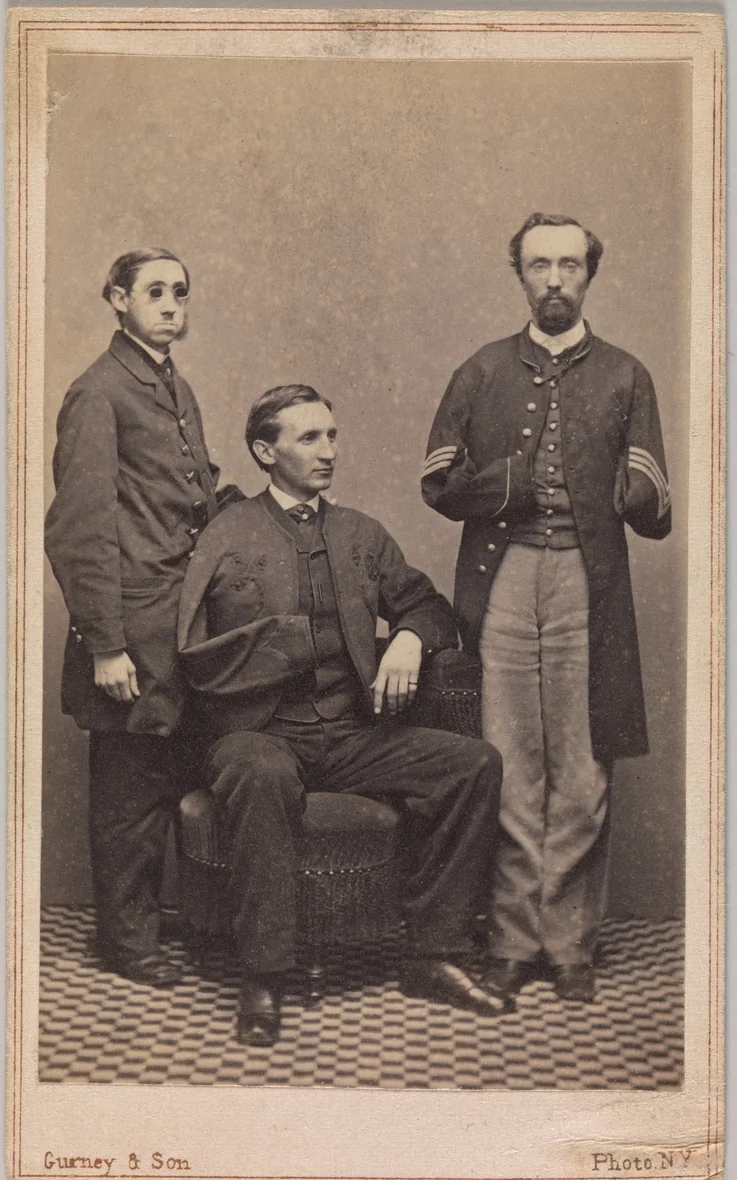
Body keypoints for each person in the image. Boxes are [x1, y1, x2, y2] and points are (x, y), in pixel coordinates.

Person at [178, 384, 508, 1046]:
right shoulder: (227, 534)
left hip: (353, 734)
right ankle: (264, 976)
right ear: (264, 452)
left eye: (331, 435)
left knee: (472, 765)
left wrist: (411, 638)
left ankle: (431, 954)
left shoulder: (360, 534)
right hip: (257, 735)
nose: (328, 451)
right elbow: (191, 652)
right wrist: (289, 643)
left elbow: (426, 603)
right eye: (308, 439)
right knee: (261, 774)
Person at [421, 213, 671, 1004]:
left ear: (589, 273)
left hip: (586, 585)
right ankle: (511, 938)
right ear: (519, 275)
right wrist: (502, 486)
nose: (554, 279)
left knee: (582, 766)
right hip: (501, 579)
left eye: (568, 264)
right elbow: (437, 480)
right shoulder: (482, 370)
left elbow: (654, 500)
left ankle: (568, 945)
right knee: (506, 762)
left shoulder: (626, 374)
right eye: (539, 265)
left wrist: (623, 489)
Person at [45, 248, 241, 988]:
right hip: (130, 632)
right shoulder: (98, 392)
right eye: (154, 292)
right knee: (130, 793)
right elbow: (78, 527)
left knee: (173, 774)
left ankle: (173, 925)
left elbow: (193, 494)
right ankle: (125, 943)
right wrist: (105, 643)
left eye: (179, 293)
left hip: (181, 622)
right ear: (117, 300)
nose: (170, 305)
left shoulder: (172, 386)